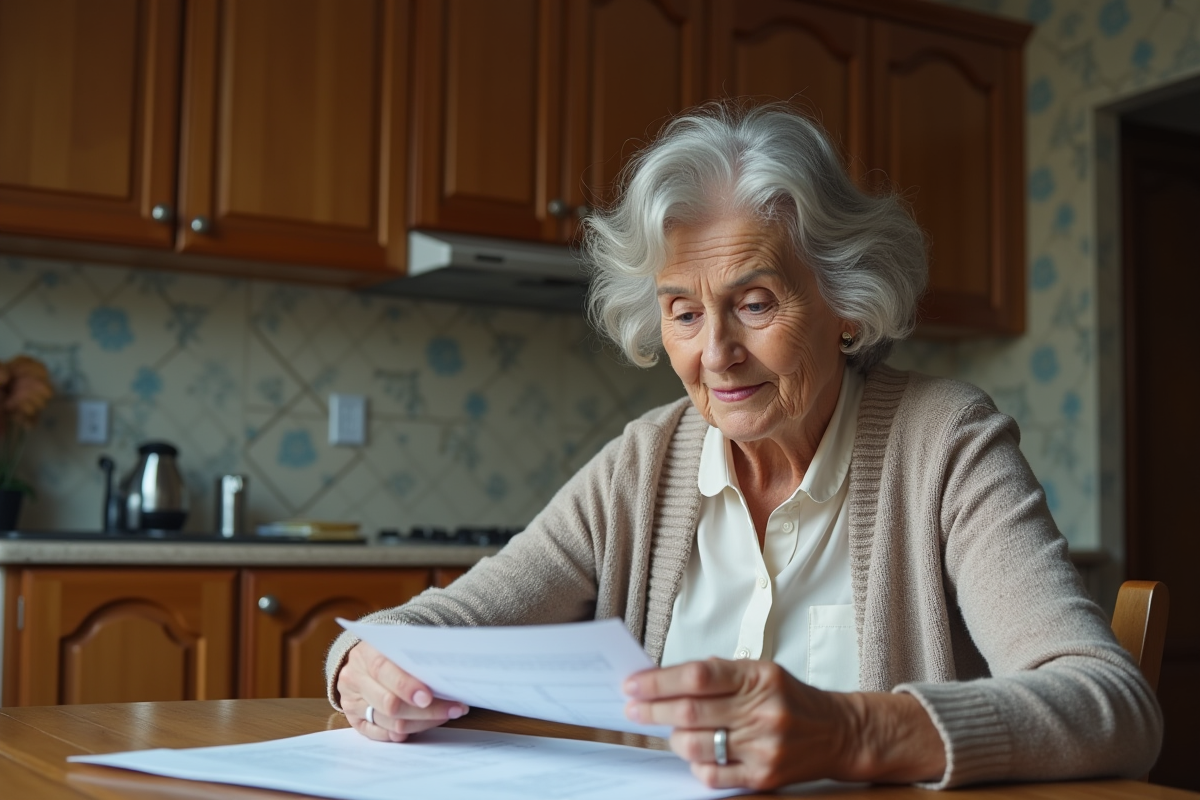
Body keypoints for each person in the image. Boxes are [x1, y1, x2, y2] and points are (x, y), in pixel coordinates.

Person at [325, 103, 1162, 790]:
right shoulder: (643, 464)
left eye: (754, 303)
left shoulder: (945, 443)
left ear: (846, 303)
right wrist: (363, 665)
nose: (714, 353)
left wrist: (853, 729)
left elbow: (1110, 702)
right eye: (683, 311)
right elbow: (437, 625)